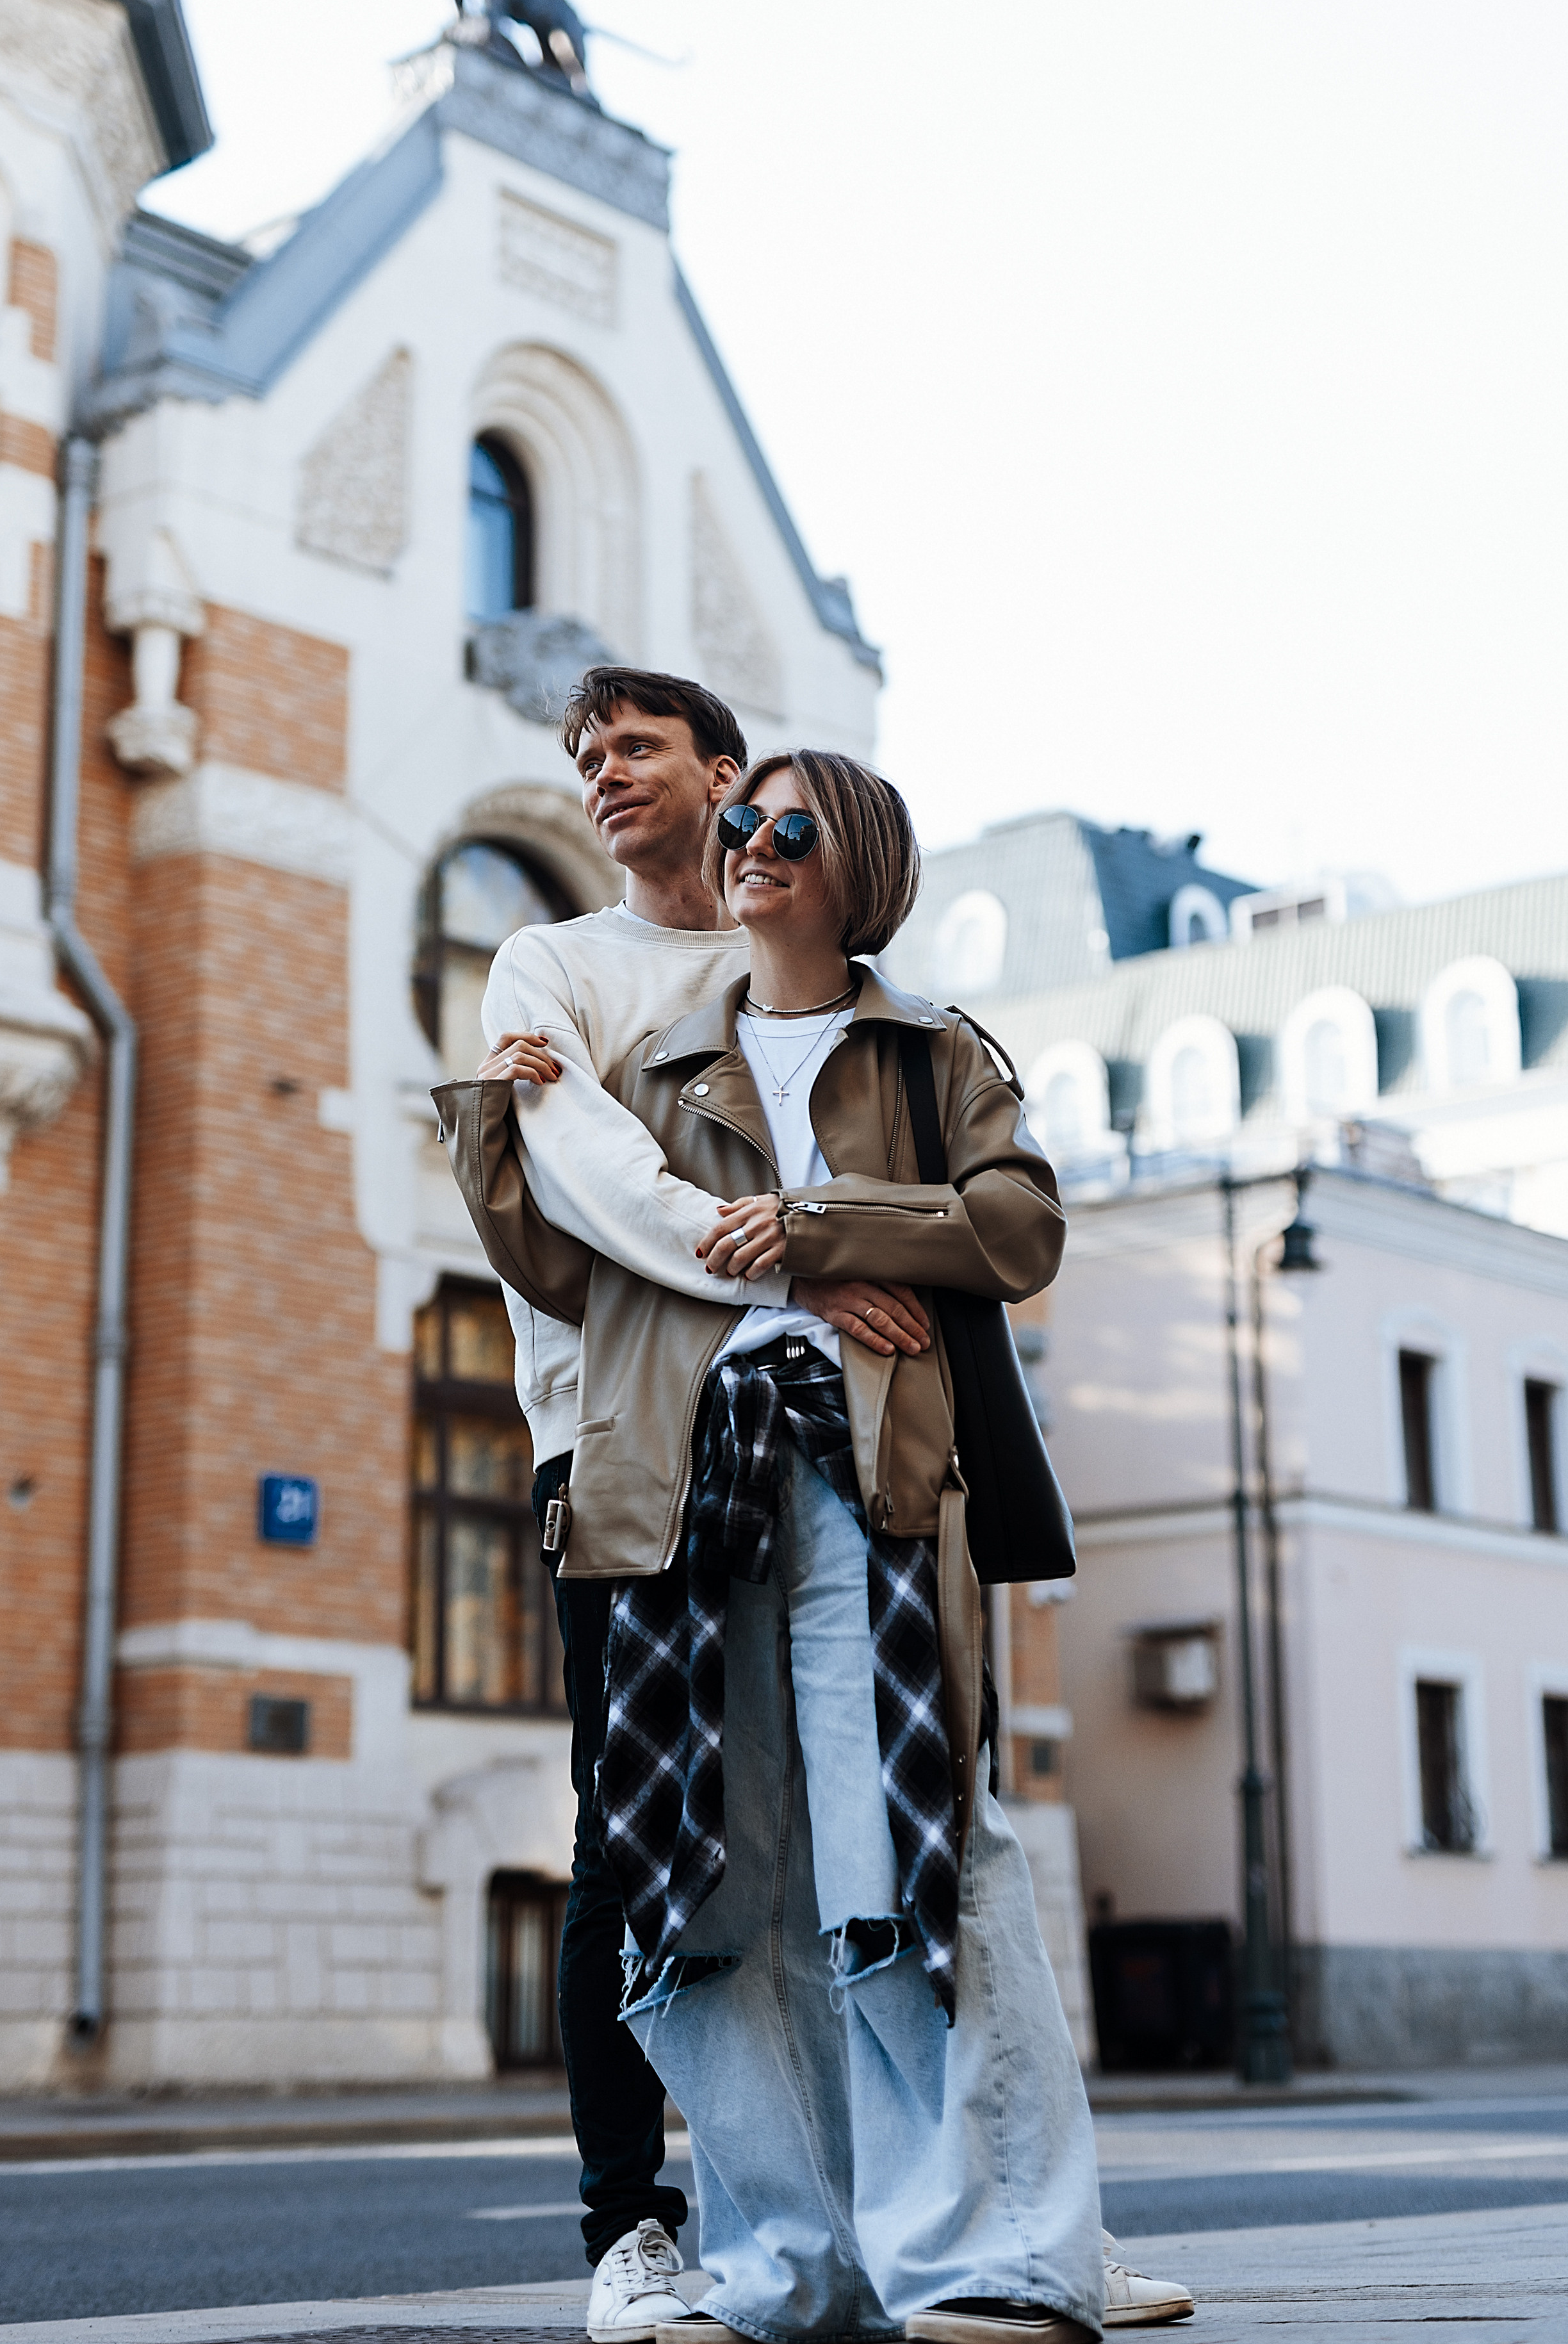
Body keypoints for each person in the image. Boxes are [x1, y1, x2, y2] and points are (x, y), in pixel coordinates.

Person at [466, 751, 1127, 2344]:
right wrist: (510, 1121)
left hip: (872, 1479)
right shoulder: (660, 1074)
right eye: (742, 822)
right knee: (704, 1878)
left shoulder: (927, 1044)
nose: (751, 844)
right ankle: (791, 2270)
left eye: (789, 825)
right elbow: (576, 1274)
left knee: (906, 1849)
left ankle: (997, 2261)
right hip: (683, 1488)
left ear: (861, 861)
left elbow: (1018, 1224)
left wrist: (818, 1231)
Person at [453, 669, 936, 2344]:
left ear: (730, 778)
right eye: (583, 757)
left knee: (854, 1836)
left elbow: (923, 1169)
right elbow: (592, 1198)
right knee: (639, 1831)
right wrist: (808, 1264)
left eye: (635, 748)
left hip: (819, 1441)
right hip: (624, 1445)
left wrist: (852, 1240)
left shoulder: (786, 955)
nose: (599, 775)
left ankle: (912, 2231)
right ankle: (627, 2228)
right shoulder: (551, 968)